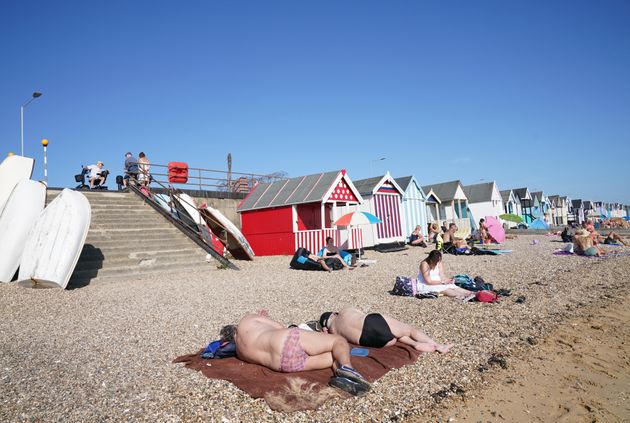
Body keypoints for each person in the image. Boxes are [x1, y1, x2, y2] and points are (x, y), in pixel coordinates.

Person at [220, 311, 371, 396]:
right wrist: (264, 317)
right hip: (286, 340)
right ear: (235, 327)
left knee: (331, 355)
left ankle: (345, 380)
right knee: (338, 341)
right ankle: (347, 368)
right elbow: (279, 326)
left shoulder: (240, 353)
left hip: (284, 365)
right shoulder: (246, 320)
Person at [319, 307, 453, 353]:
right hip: (371, 322)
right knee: (409, 329)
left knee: (394, 335)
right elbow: (361, 313)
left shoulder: (334, 332)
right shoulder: (344, 311)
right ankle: (439, 346)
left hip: (375, 341)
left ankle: (414, 344)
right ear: (333, 314)